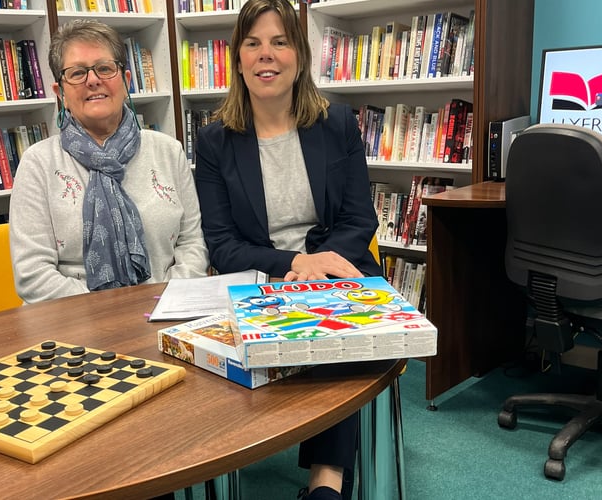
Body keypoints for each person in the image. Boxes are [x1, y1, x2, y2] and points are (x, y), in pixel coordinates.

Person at [193, 0, 381, 499]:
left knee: (339, 333)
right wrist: (294, 264)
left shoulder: (337, 123)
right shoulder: (214, 141)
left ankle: (327, 482)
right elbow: (223, 244)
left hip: (336, 271)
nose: (266, 55)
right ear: (237, 59)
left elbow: (361, 217)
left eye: (280, 41)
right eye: (252, 43)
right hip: (264, 278)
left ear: (299, 54)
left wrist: (318, 267)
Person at [9, 19, 208, 304]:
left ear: (126, 81)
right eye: (77, 73)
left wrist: (163, 300)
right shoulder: (38, 164)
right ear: (60, 93)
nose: (93, 80)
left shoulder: (168, 151)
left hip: (164, 310)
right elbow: (33, 275)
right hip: (74, 323)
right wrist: (110, 310)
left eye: (104, 68)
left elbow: (192, 246)